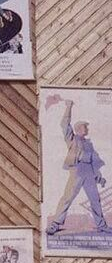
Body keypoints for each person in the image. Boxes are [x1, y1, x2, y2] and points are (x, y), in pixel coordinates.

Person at [46, 99, 110, 235]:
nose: (87, 129)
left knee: (95, 199)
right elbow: (64, 123)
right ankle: (55, 224)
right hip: (77, 170)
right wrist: (69, 107)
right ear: (79, 129)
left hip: (89, 172)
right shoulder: (72, 139)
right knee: (67, 197)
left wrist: (99, 177)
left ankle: (102, 225)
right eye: (85, 127)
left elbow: (94, 162)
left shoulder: (89, 144)